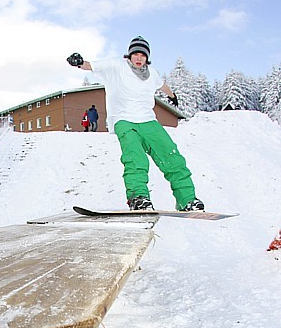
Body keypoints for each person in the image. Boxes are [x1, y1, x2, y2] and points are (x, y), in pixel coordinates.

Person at [67, 37, 204, 211]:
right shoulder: (117, 66)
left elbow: (163, 86)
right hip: (124, 120)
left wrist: (172, 96)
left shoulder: (151, 73)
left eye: (142, 55)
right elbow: (92, 66)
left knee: (172, 156)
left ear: (147, 58)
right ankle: (138, 197)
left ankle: (188, 200)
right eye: (135, 55)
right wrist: (80, 63)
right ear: (129, 55)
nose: (138, 59)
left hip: (148, 121)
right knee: (135, 158)